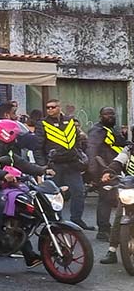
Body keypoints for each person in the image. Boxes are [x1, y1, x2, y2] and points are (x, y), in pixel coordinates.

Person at [0, 118, 49, 267]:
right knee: (1, 199)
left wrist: (43, 169)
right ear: (6, 133)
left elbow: (22, 163)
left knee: (21, 207)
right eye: (15, 134)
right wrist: (3, 175)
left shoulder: (8, 150)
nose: (18, 137)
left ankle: (29, 255)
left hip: (2, 186)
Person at [35, 98, 90, 229]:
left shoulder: (70, 120)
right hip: (54, 164)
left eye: (53, 107)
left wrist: (78, 155)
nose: (50, 109)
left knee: (79, 191)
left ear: (59, 108)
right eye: (48, 107)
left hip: (72, 163)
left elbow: (77, 140)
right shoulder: (42, 123)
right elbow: (38, 147)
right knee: (54, 194)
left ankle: (77, 219)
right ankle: (56, 221)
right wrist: (43, 166)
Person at [88, 106, 128, 241]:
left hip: (115, 168)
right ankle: (103, 230)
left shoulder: (111, 129)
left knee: (113, 199)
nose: (111, 117)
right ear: (101, 116)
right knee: (105, 200)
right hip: (103, 170)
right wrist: (94, 174)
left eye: (112, 114)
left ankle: (109, 228)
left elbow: (122, 144)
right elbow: (92, 152)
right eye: (107, 114)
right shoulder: (97, 131)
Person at [100, 141, 134, 264]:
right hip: (130, 188)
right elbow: (118, 162)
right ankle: (112, 251)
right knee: (119, 216)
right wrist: (108, 172)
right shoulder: (129, 149)